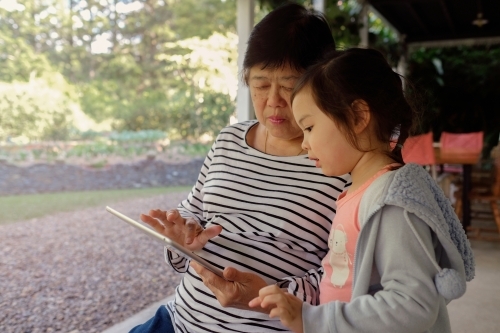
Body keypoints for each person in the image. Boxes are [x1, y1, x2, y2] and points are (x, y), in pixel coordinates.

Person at [129, 3, 351, 333]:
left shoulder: (341, 164)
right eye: (261, 85)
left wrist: (266, 295)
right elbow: (192, 217)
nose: (273, 101)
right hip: (180, 321)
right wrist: (180, 237)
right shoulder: (229, 140)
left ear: (322, 84)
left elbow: (345, 280)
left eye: (289, 86)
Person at [249, 48, 475, 333]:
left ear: (357, 117)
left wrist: (313, 319)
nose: (304, 144)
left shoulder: (391, 204)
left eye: (308, 127)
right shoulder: (359, 191)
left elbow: (413, 305)